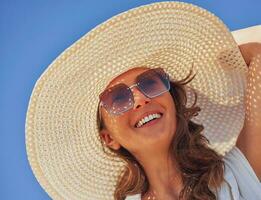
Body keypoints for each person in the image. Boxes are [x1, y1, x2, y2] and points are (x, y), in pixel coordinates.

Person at [25, 1, 261, 200]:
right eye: (118, 97)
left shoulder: (232, 175)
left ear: (174, 101)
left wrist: (212, 63)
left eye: (150, 83)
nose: (140, 98)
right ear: (108, 138)